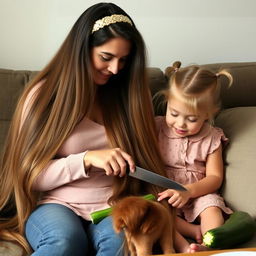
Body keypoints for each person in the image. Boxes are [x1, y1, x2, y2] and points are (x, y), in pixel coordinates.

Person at [0, 3, 167, 255]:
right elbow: (29, 176)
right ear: (81, 50)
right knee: (64, 241)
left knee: (120, 244)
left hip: (115, 205)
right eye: (106, 57)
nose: (114, 69)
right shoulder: (43, 96)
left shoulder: (133, 95)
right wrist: (87, 159)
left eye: (123, 60)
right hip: (56, 204)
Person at [156, 61, 233, 253]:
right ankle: (186, 244)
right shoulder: (155, 127)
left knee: (212, 208)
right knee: (155, 212)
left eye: (192, 119)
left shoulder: (212, 137)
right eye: (173, 113)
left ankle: (208, 245)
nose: (180, 124)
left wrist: (189, 191)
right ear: (166, 103)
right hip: (165, 194)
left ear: (208, 114)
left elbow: (215, 178)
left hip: (199, 192)